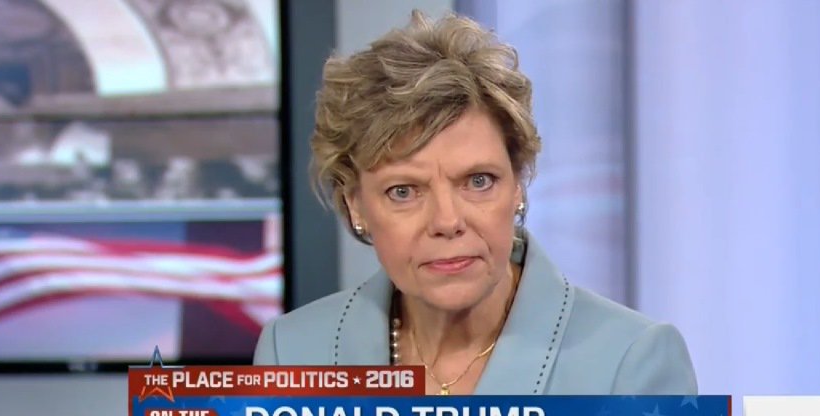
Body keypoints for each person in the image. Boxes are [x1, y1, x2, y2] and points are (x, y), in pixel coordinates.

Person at [254, 10, 697, 395]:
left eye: (478, 181)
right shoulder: (291, 352)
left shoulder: (630, 362)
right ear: (355, 206)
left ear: (518, 184)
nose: (447, 221)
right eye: (404, 191)